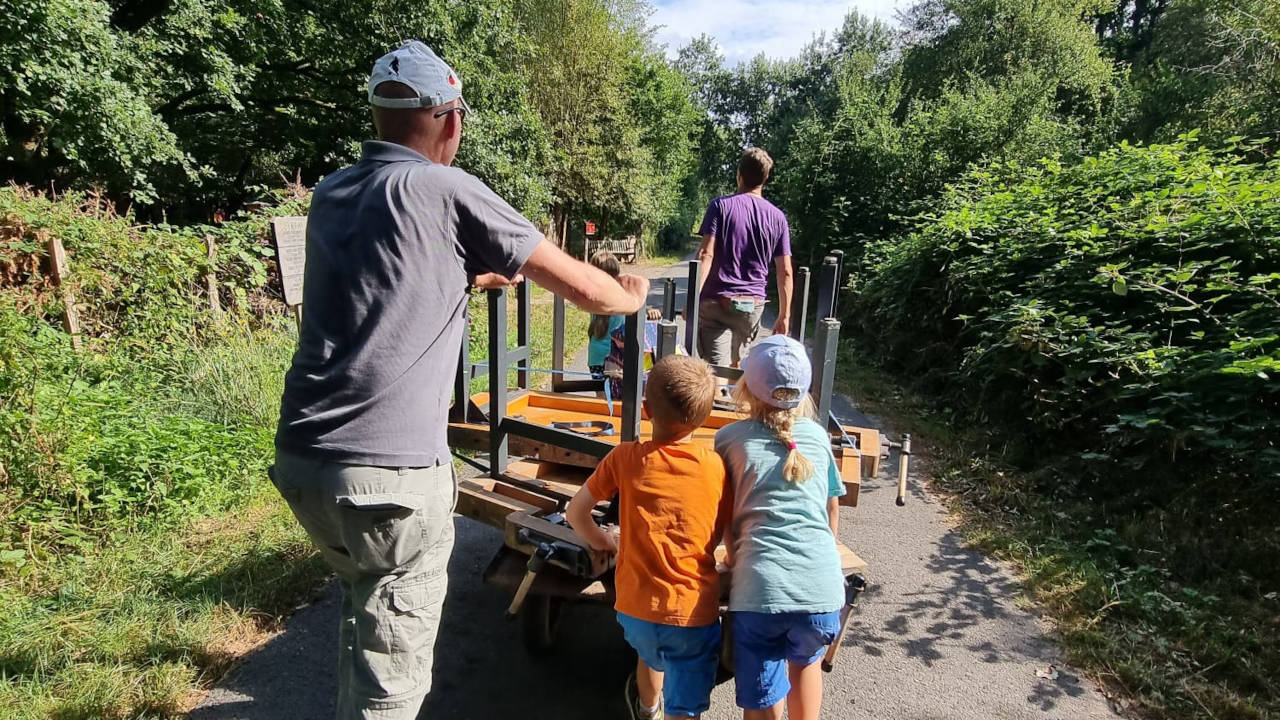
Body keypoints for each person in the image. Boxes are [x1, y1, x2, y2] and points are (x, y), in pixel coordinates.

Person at [271, 40, 649, 719]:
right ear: (451, 120)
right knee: (393, 680)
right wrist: (632, 296)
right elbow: (588, 291)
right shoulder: (449, 188)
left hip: (303, 461)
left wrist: (468, 273)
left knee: (367, 617)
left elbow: (379, 275)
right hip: (387, 477)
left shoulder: (332, 192)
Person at [565, 355, 728, 720]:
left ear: (645, 410)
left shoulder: (624, 457)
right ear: (705, 418)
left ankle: (646, 708)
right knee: (686, 701)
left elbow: (575, 513)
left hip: (635, 612)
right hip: (692, 615)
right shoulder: (715, 467)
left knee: (649, 655)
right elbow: (720, 532)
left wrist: (606, 541)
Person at [714, 335, 846, 720]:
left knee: (762, 685)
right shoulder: (819, 438)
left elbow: (724, 515)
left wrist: (734, 557)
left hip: (760, 592)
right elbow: (831, 510)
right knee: (806, 664)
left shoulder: (728, 439)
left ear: (745, 386)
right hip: (822, 591)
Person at [695, 148, 794, 369]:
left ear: (739, 174)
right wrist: (784, 316)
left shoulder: (720, 207)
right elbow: (785, 271)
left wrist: (692, 299)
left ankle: (720, 393)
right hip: (752, 307)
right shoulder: (778, 218)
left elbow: (706, 254)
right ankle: (734, 393)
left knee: (714, 372)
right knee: (737, 368)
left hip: (716, 302)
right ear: (766, 178)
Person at [587, 249, 661, 380]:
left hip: (596, 357)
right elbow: (637, 303)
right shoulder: (621, 297)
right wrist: (650, 312)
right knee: (621, 397)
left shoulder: (592, 296)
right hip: (618, 358)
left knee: (604, 399)